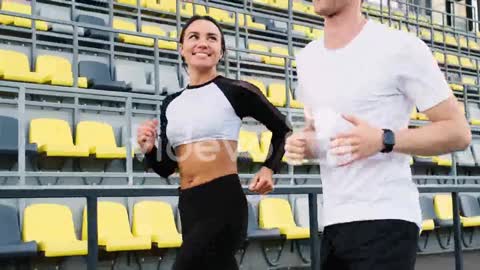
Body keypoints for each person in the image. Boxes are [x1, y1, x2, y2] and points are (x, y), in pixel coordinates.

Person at [285, 0, 471, 269]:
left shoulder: (400, 47)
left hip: (387, 217)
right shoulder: (307, 58)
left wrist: (384, 139)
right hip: (334, 221)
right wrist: (304, 144)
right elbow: (320, 134)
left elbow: (458, 132)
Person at [136, 15, 292, 270]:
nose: (203, 43)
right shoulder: (171, 104)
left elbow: (283, 129)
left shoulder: (236, 91)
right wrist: (150, 149)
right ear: (181, 48)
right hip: (189, 205)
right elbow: (167, 167)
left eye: (212, 38)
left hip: (223, 200)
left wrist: (269, 168)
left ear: (221, 51)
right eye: (194, 37)